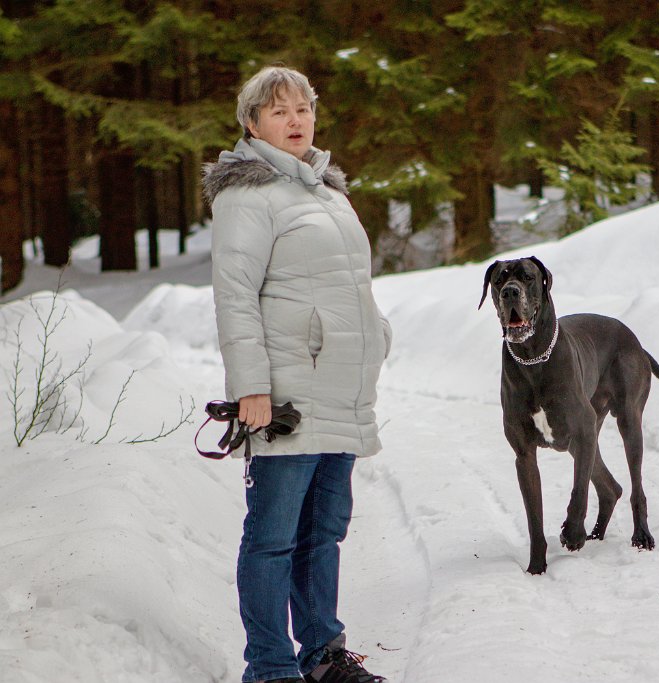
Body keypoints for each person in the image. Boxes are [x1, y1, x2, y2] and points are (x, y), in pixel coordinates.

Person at [203, 65, 391, 683]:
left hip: (340, 392)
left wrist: (375, 336)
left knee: (323, 534)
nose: (296, 121)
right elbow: (234, 295)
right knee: (274, 538)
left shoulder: (327, 192)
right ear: (252, 123)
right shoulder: (246, 195)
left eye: (303, 108)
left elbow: (347, 286)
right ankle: (271, 667)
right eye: (280, 111)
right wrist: (251, 386)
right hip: (284, 397)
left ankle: (323, 656)